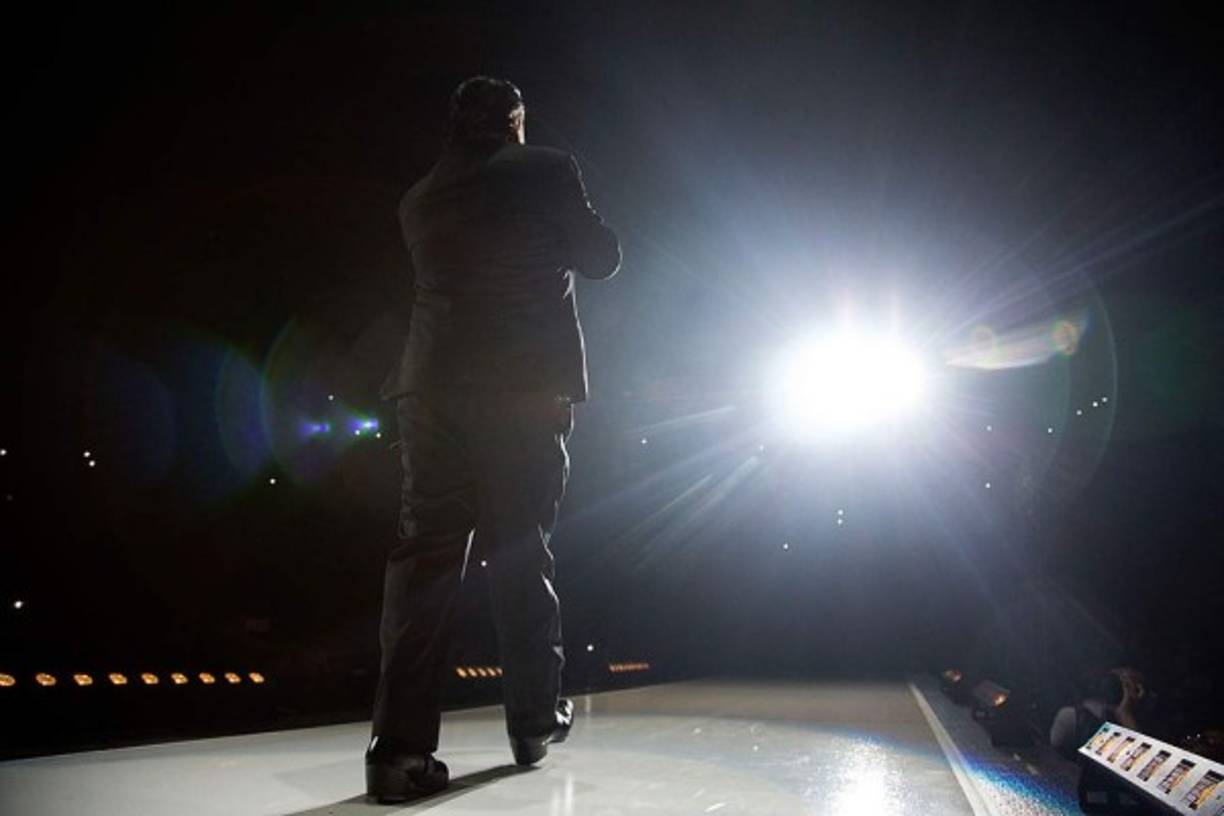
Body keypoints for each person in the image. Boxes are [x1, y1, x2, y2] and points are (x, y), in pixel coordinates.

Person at [364, 76, 621, 803]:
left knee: (423, 564)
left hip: (429, 391)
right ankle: (534, 719)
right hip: (521, 390)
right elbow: (601, 257)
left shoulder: (418, 197)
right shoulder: (544, 165)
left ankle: (397, 755)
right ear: (514, 121)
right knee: (519, 546)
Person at [1050, 667, 1149, 760]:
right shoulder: (1074, 716)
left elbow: (1148, 760)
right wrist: (1125, 714)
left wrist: (1126, 714)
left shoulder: (1141, 720)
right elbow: (1140, 758)